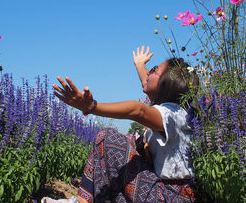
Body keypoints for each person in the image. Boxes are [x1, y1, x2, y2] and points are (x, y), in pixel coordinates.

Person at [42, 46, 199, 203]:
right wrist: (140, 65)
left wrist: (92, 107)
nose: (148, 74)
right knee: (129, 143)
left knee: (108, 138)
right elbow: (149, 82)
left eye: (153, 70)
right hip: (162, 192)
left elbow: (139, 111)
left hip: (171, 196)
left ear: (164, 85)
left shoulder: (175, 115)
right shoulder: (174, 112)